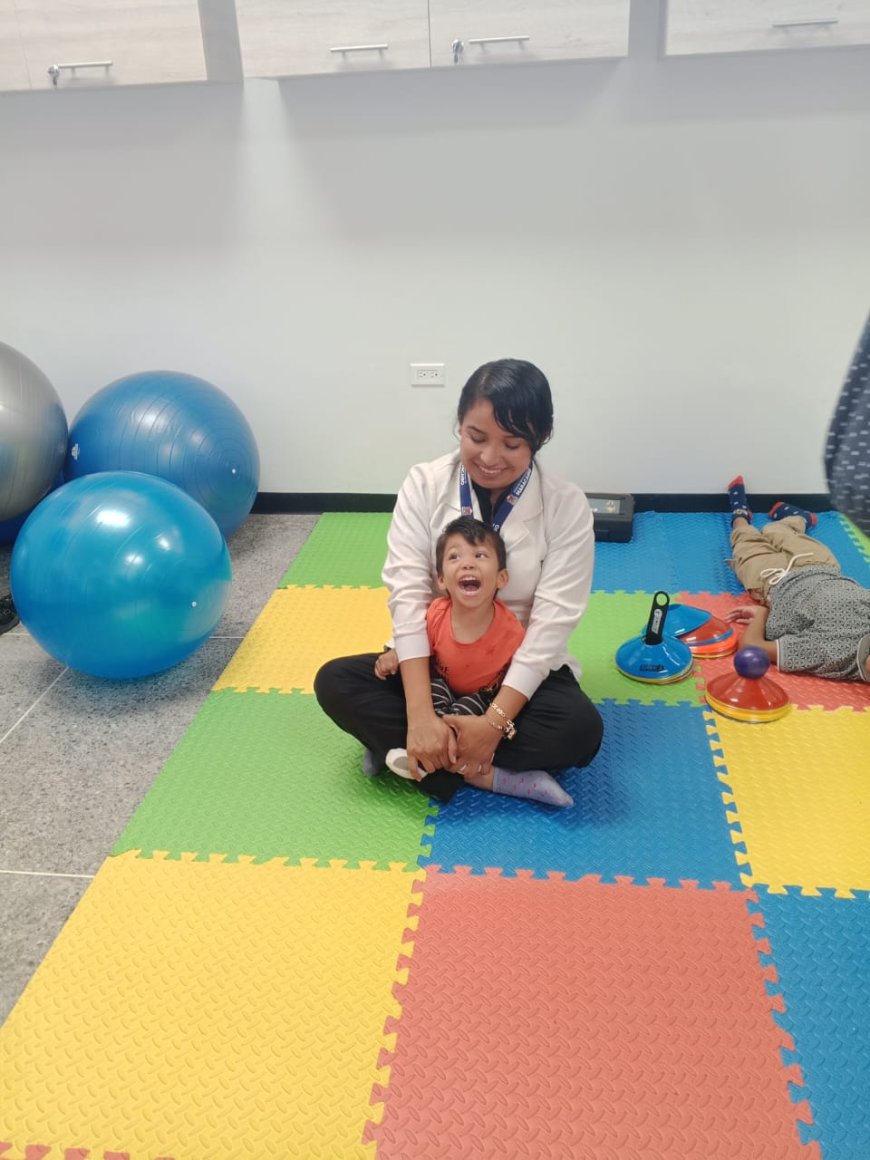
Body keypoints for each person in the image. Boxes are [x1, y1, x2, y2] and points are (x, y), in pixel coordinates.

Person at [314, 357, 604, 805]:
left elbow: (552, 625)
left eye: (512, 444)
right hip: (435, 662)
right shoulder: (425, 483)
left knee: (580, 730)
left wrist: (493, 725)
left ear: (539, 439)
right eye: (476, 437)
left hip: (512, 670)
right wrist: (420, 716)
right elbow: (408, 596)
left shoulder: (566, 505)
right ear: (459, 424)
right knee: (335, 682)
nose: (490, 458)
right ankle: (473, 768)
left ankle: (414, 759)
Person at [375, 514, 574, 807]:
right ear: (441, 580)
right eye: (454, 557)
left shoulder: (509, 629)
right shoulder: (436, 613)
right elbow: (419, 644)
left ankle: (395, 748)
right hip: (439, 688)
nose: (467, 563)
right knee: (348, 680)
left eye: (480, 555)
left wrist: (495, 722)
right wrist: (394, 654)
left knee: (475, 714)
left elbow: (521, 671)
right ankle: (485, 774)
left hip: (481, 700)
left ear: (501, 578)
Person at [724, 475, 870, 683]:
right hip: (820, 565)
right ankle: (799, 518)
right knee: (777, 530)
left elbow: (752, 648)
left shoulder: (832, 655)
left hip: (773, 580)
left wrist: (762, 615)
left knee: (745, 541)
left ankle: (740, 514)